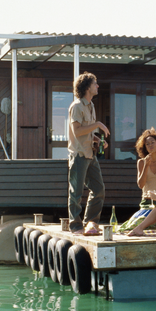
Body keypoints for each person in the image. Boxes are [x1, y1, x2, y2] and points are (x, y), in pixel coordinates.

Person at [67, 72, 110, 235]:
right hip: (78, 154)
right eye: (95, 83)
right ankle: (76, 226)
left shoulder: (90, 106)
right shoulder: (77, 106)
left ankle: (91, 222)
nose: (98, 86)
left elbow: (88, 132)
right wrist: (98, 124)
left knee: (99, 189)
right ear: (86, 87)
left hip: (90, 154)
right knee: (76, 192)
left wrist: (98, 141)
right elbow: (77, 131)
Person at [116, 128, 156, 233]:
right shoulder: (141, 163)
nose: (150, 145)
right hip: (148, 202)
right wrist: (146, 166)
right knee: (137, 223)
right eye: (147, 144)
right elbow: (141, 185)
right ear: (144, 147)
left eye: (152, 143)